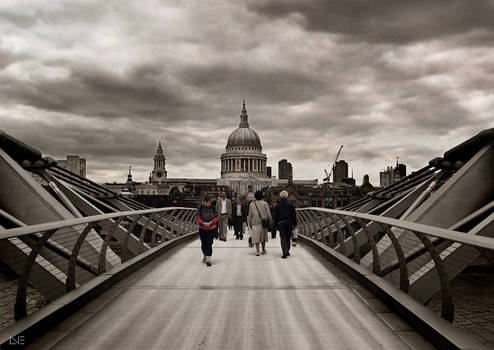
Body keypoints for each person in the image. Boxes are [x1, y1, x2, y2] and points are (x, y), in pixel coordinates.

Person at [247, 191, 272, 256]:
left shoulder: (252, 204)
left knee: (256, 237)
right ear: (261, 196)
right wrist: (271, 221)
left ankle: (257, 251)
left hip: (254, 222)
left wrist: (249, 224)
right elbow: (269, 214)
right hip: (263, 222)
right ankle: (263, 249)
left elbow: (249, 215)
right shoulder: (265, 204)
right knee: (263, 237)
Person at [274, 190, 297, 259]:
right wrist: (295, 224)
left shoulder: (277, 206)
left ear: (280, 196)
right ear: (287, 196)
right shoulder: (291, 205)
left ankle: (284, 251)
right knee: (288, 237)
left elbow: (275, 216)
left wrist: (275, 225)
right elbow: (294, 215)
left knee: (283, 237)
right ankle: (287, 250)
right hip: (289, 223)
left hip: (281, 224)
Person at [197, 194, 218, 266]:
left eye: (209, 202)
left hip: (211, 228)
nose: (208, 203)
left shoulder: (213, 208)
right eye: (206, 202)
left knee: (209, 243)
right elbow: (198, 217)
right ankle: (205, 255)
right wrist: (203, 223)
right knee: (203, 243)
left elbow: (216, 217)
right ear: (204, 202)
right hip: (202, 228)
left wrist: (211, 222)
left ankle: (208, 259)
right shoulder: (200, 208)